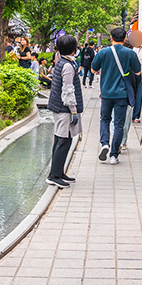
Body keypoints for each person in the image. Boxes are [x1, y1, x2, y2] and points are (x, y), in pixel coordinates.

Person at [91, 27, 141, 165]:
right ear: (125, 39)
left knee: (105, 119)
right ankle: (114, 155)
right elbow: (138, 72)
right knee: (119, 124)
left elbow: (93, 69)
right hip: (122, 94)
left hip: (106, 93)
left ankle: (105, 143)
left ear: (111, 38)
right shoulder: (130, 53)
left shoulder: (103, 52)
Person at [46, 34, 83, 189]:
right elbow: (68, 90)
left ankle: (59, 172)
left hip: (60, 107)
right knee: (63, 140)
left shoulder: (62, 62)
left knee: (62, 139)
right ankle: (54, 175)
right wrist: (73, 110)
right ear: (73, 49)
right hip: (64, 108)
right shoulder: (67, 66)